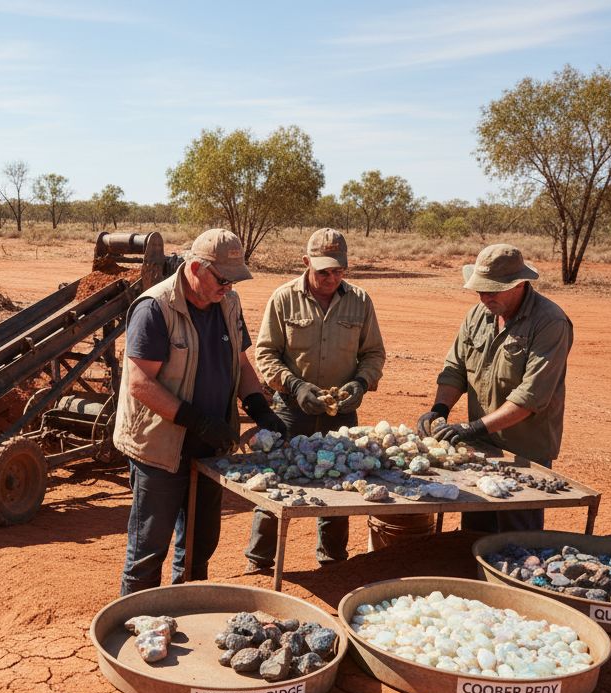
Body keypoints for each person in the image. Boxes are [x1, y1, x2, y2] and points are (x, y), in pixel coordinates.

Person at [113, 228, 288, 595]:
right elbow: (139, 383)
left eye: (234, 280)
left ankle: (186, 611)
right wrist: (195, 420)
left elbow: (240, 363)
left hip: (210, 447)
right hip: (160, 449)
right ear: (195, 267)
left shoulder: (228, 302)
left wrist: (259, 408)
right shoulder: (155, 308)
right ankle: (135, 627)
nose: (229, 287)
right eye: (223, 279)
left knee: (198, 544)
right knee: (148, 549)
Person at [245, 228, 386, 569]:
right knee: (277, 484)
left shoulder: (360, 301)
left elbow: (373, 354)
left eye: (339, 270)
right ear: (306, 263)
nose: (332, 278)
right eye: (324, 271)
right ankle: (259, 562)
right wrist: (294, 385)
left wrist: (361, 384)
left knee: (339, 486)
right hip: (292, 412)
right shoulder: (283, 298)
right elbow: (265, 354)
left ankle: (334, 564)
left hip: (340, 415)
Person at [416, 243, 573, 532]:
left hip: (524, 451)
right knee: (475, 527)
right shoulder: (477, 315)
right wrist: (439, 409)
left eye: (492, 290)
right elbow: (455, 370)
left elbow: (531, 396)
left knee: (518, 533)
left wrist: (473, 428)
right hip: (481, 447)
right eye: (480, 289)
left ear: (519, 285)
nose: (484, 296)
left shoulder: (550, 322)